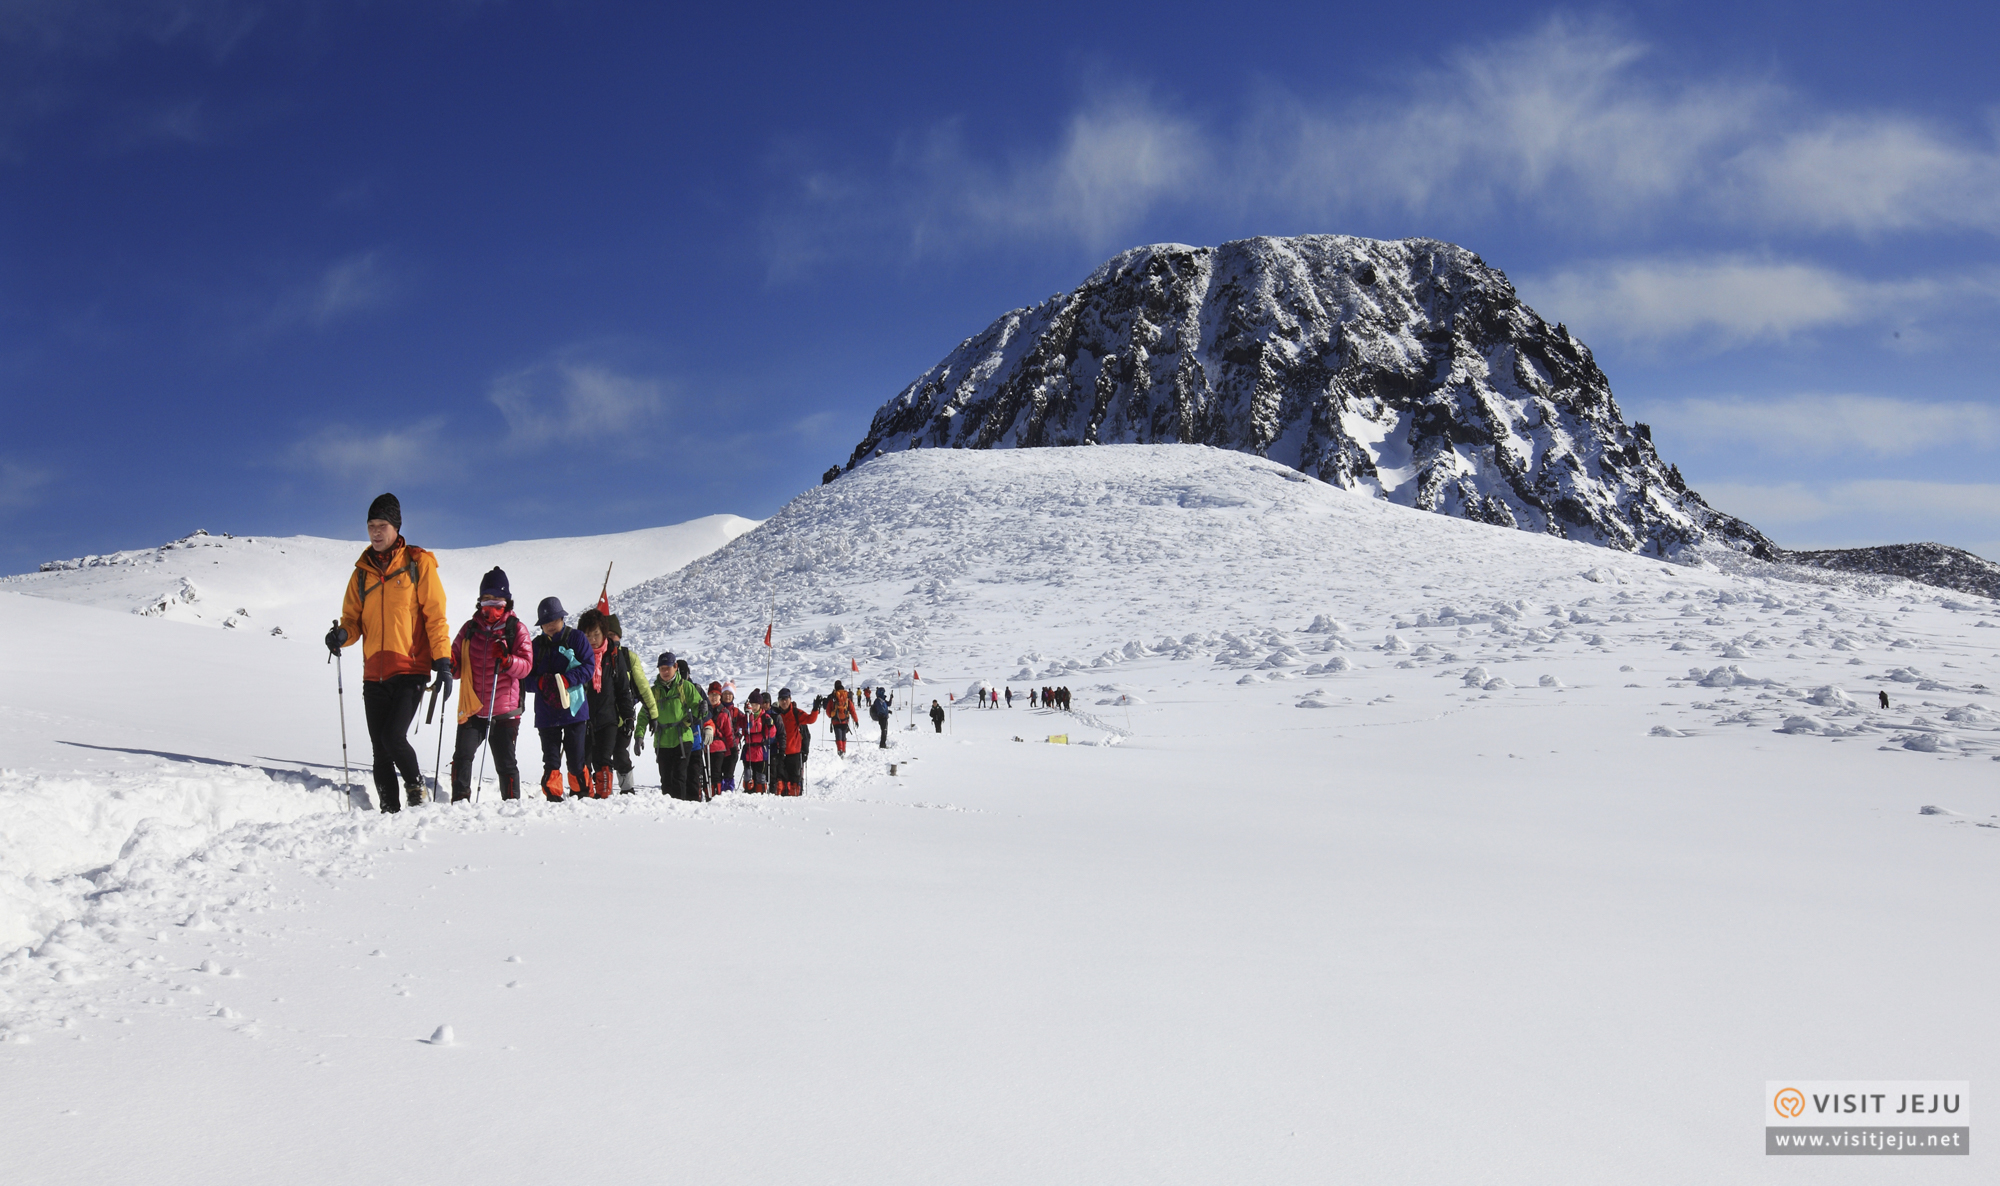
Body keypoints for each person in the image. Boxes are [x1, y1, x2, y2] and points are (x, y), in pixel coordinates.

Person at [326, 493, 451, 814]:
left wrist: (443, 661)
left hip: (411, 668)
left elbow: (435, 616)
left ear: (396, 527)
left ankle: (416, 792)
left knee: (393, 737)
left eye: (382, 525)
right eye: (371, 526)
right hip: (374, 673)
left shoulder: (417, 563)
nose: (376, 532)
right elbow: (353, 621)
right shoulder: (361, 573)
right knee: (379, 750)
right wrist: (342, 635)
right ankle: (388, 810)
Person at [446, 567, 533, 802]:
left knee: (505, 763)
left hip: (505, 711)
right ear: (480, 601)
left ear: (507, 601)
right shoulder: (469, 629)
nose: (491, 605)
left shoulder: (516, 629)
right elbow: (456, 665)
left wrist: (507, 660)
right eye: (486, 599)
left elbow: (526, 666)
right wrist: (449, 664)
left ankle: (512, 805)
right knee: (462, 757)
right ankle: (459, 802)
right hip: (473, 707)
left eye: (497, 600)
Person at [527, 597, 594, 801]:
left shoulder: (577, 638)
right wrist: (540, 683)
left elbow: (589, 668)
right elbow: (524, 679)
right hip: (547, 715)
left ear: (562, 618)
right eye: (546, 622)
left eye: (554, 620)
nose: (550, 625)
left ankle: (582, 795)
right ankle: (553, 799)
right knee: (551, 761)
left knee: (575, 760)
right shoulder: (535, 646)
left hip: (574, 711)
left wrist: (566, 680)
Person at [602, 615, 656, 794]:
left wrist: (653, 713)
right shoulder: (596, 655)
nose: (609, 638)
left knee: (619, 752)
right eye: (605, 634)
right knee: (601, 754)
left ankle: (627, 790)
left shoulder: (628, 657)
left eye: (613, 634)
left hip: (624, 716)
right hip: (600, 714)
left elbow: (643, 687)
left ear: (619, 636)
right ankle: (603, 789)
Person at [642, 651, 707, 800]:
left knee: (679, 777)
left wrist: (702, 709)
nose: (665, 671)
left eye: (667, 668)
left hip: (682, 738)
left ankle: (679, 813)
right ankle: (670, 812)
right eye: (661, 668)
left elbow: (699, 709)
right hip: (662, 740)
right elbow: (643, 715)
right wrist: (639, 735)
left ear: (675, 667)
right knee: (666, 780)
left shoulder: (686, 688)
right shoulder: (654, 691)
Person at [576, 609, 617, 798]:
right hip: (583, 718)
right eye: (587, 635)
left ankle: (604, 797)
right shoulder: (576, 658)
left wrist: (628, 717)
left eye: (596, 634)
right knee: (583, 760)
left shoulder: (613, 656)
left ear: (604, 633)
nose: (592, 639)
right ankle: (585, 796)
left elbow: (623, 689)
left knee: (604, 760)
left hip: (608, 718)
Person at [772, 688, 819, 796]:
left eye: (786, 699)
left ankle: (796, 804)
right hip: (780, 753)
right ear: (778, 701)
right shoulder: (775, 714)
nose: (784, 702)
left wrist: (815, 709)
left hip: (794, 753)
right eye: (781, 699)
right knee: (780, 783)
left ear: (790, 699)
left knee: (794, 782)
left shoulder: (796, 713)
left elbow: (810, 719)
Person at [740, 689, 781, 793]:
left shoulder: (765, 717)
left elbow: (771, 734)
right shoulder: (746, 717)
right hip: (748, 749)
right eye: (751, 704)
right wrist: (749, 717)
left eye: (756, 704)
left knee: (760, 774)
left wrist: (770, 726)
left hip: (760, 750)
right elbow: (747, 729)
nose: (753, 707)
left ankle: (760, 791)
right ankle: (748, 791)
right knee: (748, 773)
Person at [704, 682, 741, 793]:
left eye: (716, 695)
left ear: (720, 696)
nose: (713, 697)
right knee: (706, 774)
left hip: (719, 747)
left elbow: (729, 732)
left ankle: (716, 794)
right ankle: (707, 793)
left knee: (716, 774)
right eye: (711, 695)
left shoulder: (724, 712)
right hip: (706, 746)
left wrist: (733, 748)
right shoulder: (705, 711)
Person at [824, 680, 858, 756]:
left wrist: (832, 715)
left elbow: (828, 712)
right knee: (843, 736)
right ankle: (844, 750)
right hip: (845, 720)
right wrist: (856, 720)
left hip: (836, 721)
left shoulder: (833, 697)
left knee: (838, 736)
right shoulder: (846, 697)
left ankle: (840, 751)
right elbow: (852, 710)